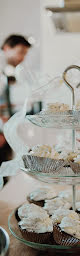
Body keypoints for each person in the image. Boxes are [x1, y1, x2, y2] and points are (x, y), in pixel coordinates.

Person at [0, 35, 32, 179]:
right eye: (20, 52)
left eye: (25, 54)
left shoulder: (8, 73)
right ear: (7, 48)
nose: (22, 58)